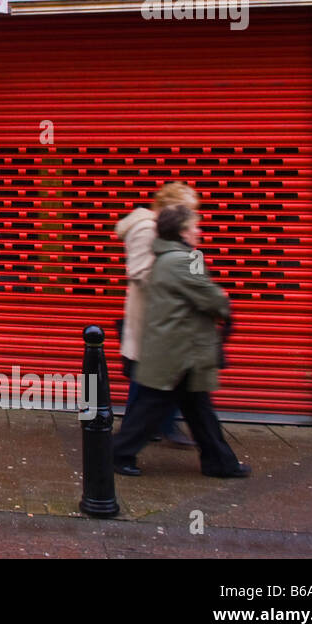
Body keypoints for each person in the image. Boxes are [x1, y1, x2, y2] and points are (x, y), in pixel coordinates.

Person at [112, 204, 250, 479]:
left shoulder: (164, 256)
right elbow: (211, 298)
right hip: (178, 354)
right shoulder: (186, 260)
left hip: (178, 351)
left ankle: (219, 462)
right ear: (182, 231)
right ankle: (115, 455)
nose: (198, 231)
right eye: (194, 226)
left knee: (199, 413)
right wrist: (223, 301)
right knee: (152, 411)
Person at [115, 181, 199, 447]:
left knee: (155, 379)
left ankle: (144, 431)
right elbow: (139, 272)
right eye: (186, 210)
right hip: (154, 318)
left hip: (170, 319)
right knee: (150, 379)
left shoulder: (172, 232)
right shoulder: (146, 229)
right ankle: (129, 441)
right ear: (169, 208)